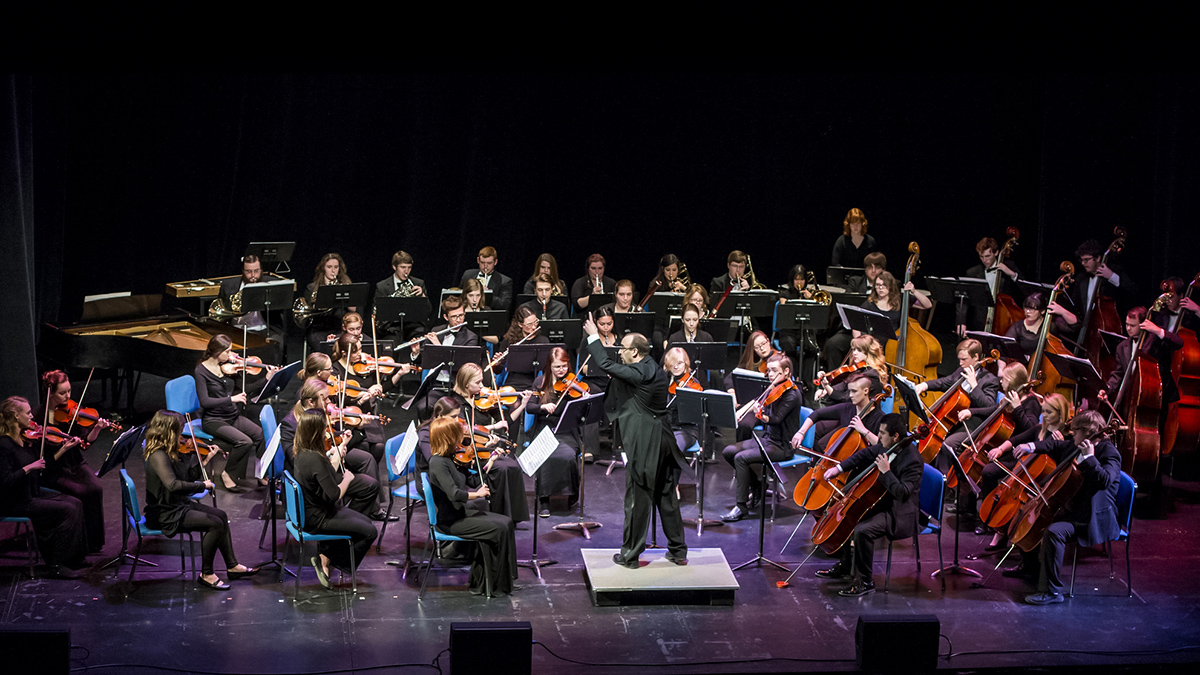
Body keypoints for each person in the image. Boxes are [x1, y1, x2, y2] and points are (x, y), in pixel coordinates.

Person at [583, 315, 688, 568]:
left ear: (635, 352)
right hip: (663, 439)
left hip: (646, 442)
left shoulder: (641, 371)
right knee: (666, 496)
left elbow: (606, 364)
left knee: (637, 498)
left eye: (623, 349)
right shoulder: (652, 367)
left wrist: (593, 338)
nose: (620, 353)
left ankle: (630, 555)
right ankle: (678, 551)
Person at [1009, 410, 1121, 605]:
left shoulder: (1109, 453)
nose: (1071, 434)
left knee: (1054, 531)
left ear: (1087, 432)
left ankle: (1052, 592)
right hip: (1070, 509)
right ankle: (1029, 569)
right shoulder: (1075, 445)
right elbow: (1054, 444)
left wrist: (1090, 458)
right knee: (1032, 519)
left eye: (1075, 430)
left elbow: (1105, 481)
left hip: (1089, 518)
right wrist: (1031, 446)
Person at [142, 410, 258, 590]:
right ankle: (207, 574)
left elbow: (186, 478)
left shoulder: (170, 450)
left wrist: (205, 461)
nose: (182, 435)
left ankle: (232, 566)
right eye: (179, 430)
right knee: (214, 524)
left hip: (177, 504)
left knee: (220, 515)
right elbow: (173, 485)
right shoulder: (158, 455)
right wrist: (203, 486)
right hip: (164, 512)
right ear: (168, 431)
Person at [814, 413, 923, 597]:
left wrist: (886, 472)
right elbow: (863, 454)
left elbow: (903, 493)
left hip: (899, 513)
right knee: (851, 518)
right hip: (883, 504)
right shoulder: (887, 445)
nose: (878, 437)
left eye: (882, 433)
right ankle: (846, 566)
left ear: (895, 435)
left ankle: (866, 582)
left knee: (862, 530)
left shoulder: (913, 460)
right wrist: (838, 469)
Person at [426, 416, 519, 595]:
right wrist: (477, 494)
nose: (464, 434)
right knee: (498, 530)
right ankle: (492, 585)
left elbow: (474, 479)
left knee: (506, 522)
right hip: (450, 521)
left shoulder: (452, 457)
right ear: (448, 436)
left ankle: (504, 580)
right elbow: (454, 494)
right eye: (458, 432)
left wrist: (491, 460)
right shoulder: (438, 463)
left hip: (459, 513)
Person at [278, 377, 393, 521]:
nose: (329, 403)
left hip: (326, 466)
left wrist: (350, 434)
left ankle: (352, 519)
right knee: (365, 484)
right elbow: (296, 459)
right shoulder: (290, 424)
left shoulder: (320, 413)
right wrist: (331, 453)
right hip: (311, 480)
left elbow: (329, 438)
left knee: (369, 477)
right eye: (325, 399)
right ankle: (343, 522)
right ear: (310, 402)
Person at [0, 396, 87, 579]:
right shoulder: (4, 445)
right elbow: (5, 482)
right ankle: (55, 564)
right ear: (16, 416)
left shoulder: (24, 440)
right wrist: (28, 468)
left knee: (76, 502)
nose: (32, 416)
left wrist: (63, 449)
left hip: (31, 492)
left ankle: (73, 557)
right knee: (67, 510)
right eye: (28, 412)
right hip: (15, 501)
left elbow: (42, 464)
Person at [292, 410, 379, 590]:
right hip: (318, 518)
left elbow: (325, 477)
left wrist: (338, 453)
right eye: (324, 428)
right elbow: (334, 495)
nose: (327, 431)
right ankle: (332, 563)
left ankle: (326, 557)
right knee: (369, 532)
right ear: (316, 432)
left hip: (313, 509)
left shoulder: (303, 453)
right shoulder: (315, 459)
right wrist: (347, 478)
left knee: (365, 522)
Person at [974, 385, 1067, 550]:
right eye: (1043, 412)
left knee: (1021, 502)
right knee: (999, 479)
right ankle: (1000, 529)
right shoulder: (1039, 429)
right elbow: (1016, 439)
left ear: (1060, 414)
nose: (1043, 416)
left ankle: (1007, 533)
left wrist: (1057, 446)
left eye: (1048, 412)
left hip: (1043, 480)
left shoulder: (1063, 436)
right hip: (1026, 473)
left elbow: (1054, 454)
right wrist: (1000, 448)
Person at [444, 362, 531, 524]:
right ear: (465, 383)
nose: (482, 386)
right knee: (503, 468)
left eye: (482, 381)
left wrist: (523, 405)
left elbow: (506, 422)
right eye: (477, 383)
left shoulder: (482, 400)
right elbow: (463, 431)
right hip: (467, 454)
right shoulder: (455, 404)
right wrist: (492, 428)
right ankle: (499, 515)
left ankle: (514, 517)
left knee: (513, 466)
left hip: (483, 449)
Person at [721, 354, 801, 522]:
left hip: (782, 446)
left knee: (741, 458)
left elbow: (776, 419)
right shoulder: (773, 388)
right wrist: (745, 410)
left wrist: (762, 415)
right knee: (729, 451)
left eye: (774, 371)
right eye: (769, 371)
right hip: (767, 439)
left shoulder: (792, 395)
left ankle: (741, 507)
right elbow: (758, 401)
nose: (770, 375)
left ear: (786, 372)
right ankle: (758, 486)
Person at [36, 371, 107, 552]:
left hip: (75, 463)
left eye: (69, 392)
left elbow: (85, 444)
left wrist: (97, 429)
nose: (68, 397)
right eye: (62, 393)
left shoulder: (72, 413)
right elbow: (43, 459)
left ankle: (94, 542)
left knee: (95, 489)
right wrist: (64, 448)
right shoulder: (39, 417)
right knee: (81, 493)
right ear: (50, 393)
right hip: (53, 470)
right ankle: (78, 545)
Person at [912, 339, 1001, 481]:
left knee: (948, 445)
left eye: (964, 359)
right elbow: (945, 382)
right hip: (955, 420)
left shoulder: (990, 380)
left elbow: (989, 406)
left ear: (976, 357)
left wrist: (974, 386)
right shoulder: (961, 370)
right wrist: (925, 385)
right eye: (959, 359)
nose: (960, 363)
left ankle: (948, 483)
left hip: (973, 423)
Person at [195, 334, 264, 491]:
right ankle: (227, 474)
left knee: (260, 434)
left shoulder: (228, 368)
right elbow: (204, 401)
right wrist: (231, 399)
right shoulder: (201, 371)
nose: (231, 355)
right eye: (228, 351)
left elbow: (245, 389)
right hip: (214, 419)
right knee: (244, 442)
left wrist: (266, 378)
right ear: (217, 352)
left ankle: (262, 475)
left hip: (231, 416)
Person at [526, 347, 584, 516]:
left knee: (568, 457)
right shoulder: (540, 382)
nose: (561, 370)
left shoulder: (573, 383)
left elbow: (581, 410)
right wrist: (543, 406)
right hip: (545, 430)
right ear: (549, 366)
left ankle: (572, 494)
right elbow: (530, 407)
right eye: (557, 367)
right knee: (546, 456)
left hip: (566, 431)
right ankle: (544, 500)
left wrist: (582, 396)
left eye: (564, 366)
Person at [791, 375, 885, 455]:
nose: (850, 395)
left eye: (854, 391)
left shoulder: (879, 417)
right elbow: (817, 414)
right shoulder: (847, 408)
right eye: (849, 391)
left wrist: (864, 431)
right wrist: (801, 432)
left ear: (866, 391)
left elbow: (883, 446)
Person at [217, 254, 286, 361]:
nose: (253, 275)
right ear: (243, 271)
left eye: (256, 271)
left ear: (261, 270)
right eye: (248, 271)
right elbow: (220, 307)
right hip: (237, 330)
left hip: (264, 329)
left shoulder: (271, 283)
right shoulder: (228, 286)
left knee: (277, 344)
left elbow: (281, 307)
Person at [1071, 238, 1139, 344]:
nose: (1083, 263)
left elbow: (1133, 291)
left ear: (1098, 258)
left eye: (1086, 260)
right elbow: (1075, 304)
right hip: (1088, 332)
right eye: (1081, 260)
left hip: (1110, 332)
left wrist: (1111, 276)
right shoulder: (1081, 278)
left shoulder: (1115, 271)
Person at [955, 237, 1023, 336]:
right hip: (980, 321)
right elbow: (963, 299)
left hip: (1003, 319)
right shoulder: (973, 272)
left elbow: (1025, 288)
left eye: (987, 256)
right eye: (981, 257)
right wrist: (960, 322)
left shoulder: (1009, 267)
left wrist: (1012, 274)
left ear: (996, 253)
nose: (984, 260)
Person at [724, 330, 781, 441]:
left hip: (772, 407)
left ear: (768, 341)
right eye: (757, 347)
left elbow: (769, 393)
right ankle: (741, 452)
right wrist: (733, 394)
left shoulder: (780, 361)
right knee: (743, 425)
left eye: (763, 344)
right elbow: (729, 378)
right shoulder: (755, 362)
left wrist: (743, 409)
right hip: (754, 407)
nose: (762, 349)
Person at [301, 252, 353, 352]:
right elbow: (310, 311)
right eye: (329, 267)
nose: (333, 270)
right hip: (319, 329)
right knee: (325, 349)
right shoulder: (312, 288)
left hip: (340, 328)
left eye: (336, 267)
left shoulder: (345, 285)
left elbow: (353, 309)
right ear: (323, 268)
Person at [814, 335, 887, 405]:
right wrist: (825, 391)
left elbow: (846, 398)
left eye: (859, 350)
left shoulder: (871, 375)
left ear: (869, 352)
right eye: (854, 349)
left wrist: (827, 387)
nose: (854, 353)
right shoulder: (860, 370)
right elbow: (843, 385)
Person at [375, 250, 430, 342]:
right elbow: (378, 312)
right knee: (392, 343)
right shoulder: (382, 286)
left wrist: (422, 296)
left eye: (409, 267)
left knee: (420, 339)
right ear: (394, 267)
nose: (406, 271)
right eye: (403, 267)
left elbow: (428, 311)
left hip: (413, 326)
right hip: (392, 327)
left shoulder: (418, 283)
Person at [495, 306, 549, 393]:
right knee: (513, 401)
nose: (534, 327)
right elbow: (498, 371)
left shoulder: (543, 341)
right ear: (520, 324)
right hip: (513, 383)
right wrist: (497, 364)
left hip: (534, 381)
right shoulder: (510, 341)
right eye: (529, 324)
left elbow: (547, 368)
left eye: (535, 322)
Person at [1004, 292, 1077, 356]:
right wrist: (1001, 369)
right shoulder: (1019, 327)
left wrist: (1062, 311)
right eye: (1026, 307)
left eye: (1032, 309)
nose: (1027, 312)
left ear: (1042, 311)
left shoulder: (1050, 325)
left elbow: (1075, 326)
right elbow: (1005, 346)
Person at [460, 246, 514, 311]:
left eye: (489, 263)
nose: (485, 266)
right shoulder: (468, 275)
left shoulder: (505, 281)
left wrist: (488, 294)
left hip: (490, 317)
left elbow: (505, 305)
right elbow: (460, 296)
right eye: (482, 262)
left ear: (495, 262)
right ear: (478, 260)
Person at [461, 278, 500, 344]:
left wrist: (477, 331)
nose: (475, 300)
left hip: (481, 349)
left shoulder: (486, 311)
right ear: (465, 295)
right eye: (471, 296)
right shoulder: (459, 312)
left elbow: (496, 340)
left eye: (478, 295)